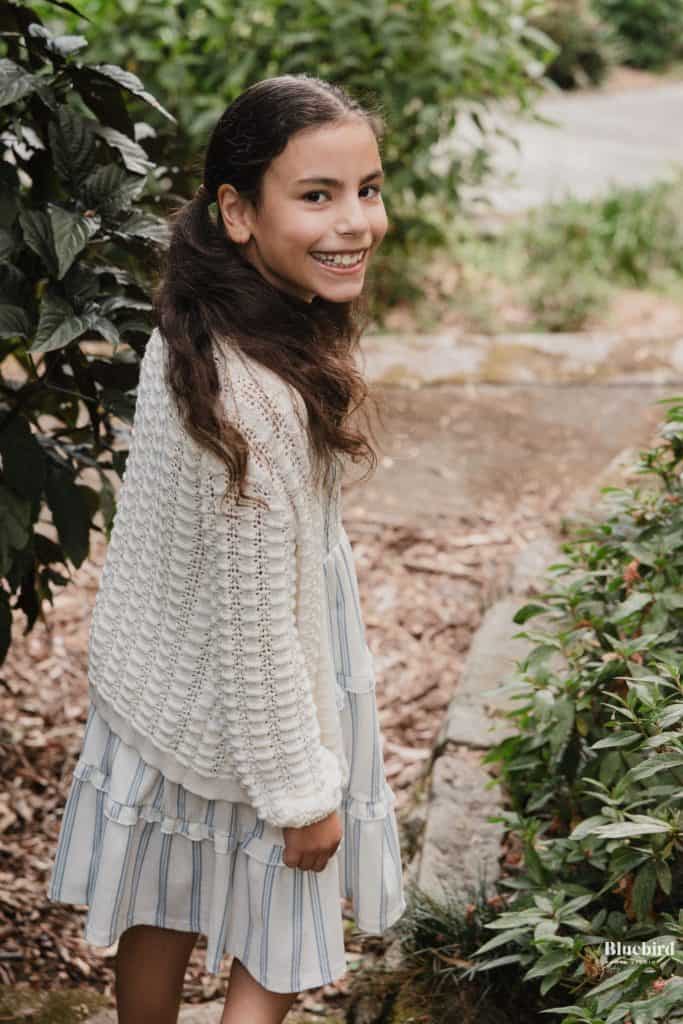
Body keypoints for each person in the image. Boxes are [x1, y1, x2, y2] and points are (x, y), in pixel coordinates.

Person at [45, 73, 406, 1024]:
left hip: (162, 672)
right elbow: (255, 633)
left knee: (160, 898)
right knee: (284, 919)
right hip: (255, 689)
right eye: (317, 196)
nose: (355, 222)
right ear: (237, 212)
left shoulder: (197, 323)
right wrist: (302, 793)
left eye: (367, 188)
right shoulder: (255, 403)